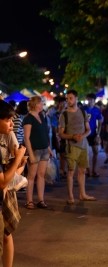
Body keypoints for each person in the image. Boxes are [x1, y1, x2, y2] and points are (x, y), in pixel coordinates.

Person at [0, 99, 27, 267]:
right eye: (8, 120)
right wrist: (17, 159)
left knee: (6, 233)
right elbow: (3, 182)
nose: (11, 124)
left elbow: (18, 164)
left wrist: (18, 162)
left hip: (5, 191)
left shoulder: (7, 135)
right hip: (3, 187)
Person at [59, 89, 96, 204]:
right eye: (67, 98)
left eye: (70, 98)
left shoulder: (83, 113)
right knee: (70, 172)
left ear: (76, 99)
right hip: (71, 147)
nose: (68, 100)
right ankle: (71, 196)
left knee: (82, 171)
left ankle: (82, 194)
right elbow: (61, 133)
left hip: (83, 146)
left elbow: (88, 130)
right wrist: (72, 137)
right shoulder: (64, 115)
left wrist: (82, 136)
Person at [23, 96, 53, 209]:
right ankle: (29, 201)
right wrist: (30, 154)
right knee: (31, 176)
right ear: (35, 104)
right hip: (34, 150)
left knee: (41, 175)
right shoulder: (28, 118)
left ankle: (41, 200)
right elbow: (26, 138)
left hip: (44, 149)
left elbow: (45, 133)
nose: (42, 105)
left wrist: (49, 149)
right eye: (41, 103)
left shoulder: (41, 115)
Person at [83, 93, 103, 177]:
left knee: (96, 151)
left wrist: (98, 134)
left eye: (91, 100)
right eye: (88, 99)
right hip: (84, 133)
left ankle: (94, 170)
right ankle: (88, 170)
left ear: (94, 101)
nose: (90, 101)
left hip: (93, 133)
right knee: (85, 153)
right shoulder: (82, 109)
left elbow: (100, 122)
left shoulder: (97, 110)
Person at [47, 95, 67, 178]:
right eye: (61, 103)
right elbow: (51, 124)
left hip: (64, 134)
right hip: (54, 135)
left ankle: (62, 170)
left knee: (63, 153)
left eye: (64, 103)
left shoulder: (67, 112)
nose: (63, 105)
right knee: (54, 153)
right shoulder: (52, 111)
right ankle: (55, 171)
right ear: (58, 103)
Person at [100, 99, 108, 164]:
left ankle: (107, 156)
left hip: (105, 129)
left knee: (105, 143)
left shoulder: (104, 111)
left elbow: (102, 120)